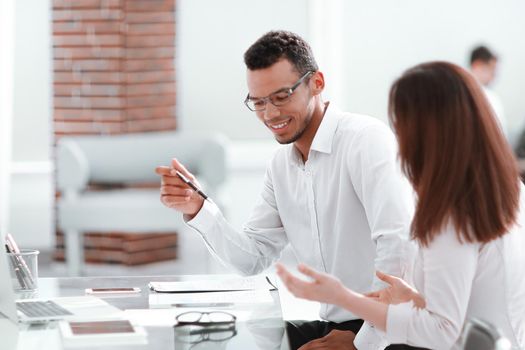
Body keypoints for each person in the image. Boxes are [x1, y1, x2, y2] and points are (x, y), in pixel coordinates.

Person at [156, 30, 416, 350]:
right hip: (338, 325)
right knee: (230, 338)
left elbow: (399, 244)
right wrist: (198, 208)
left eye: (282, 96)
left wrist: (364, 341)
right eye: (259, 102)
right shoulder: (281, 166)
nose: (271, 114)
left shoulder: (365, 140)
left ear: (316, 83)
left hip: (392, 328)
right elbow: (251, 258)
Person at [277, 61, 525, 350]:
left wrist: (342, 297)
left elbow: (443, 331)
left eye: (401, 126)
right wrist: (412, 299)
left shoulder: (450, 216)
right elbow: (472, 305)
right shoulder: (505, 192)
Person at [469, 45, 507, 138]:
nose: (493, 77)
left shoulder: (455, 93)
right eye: (492, 70)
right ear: (477, 65)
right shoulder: (489, 97)